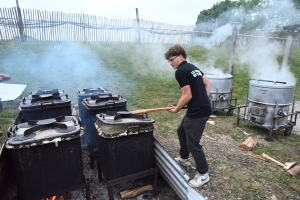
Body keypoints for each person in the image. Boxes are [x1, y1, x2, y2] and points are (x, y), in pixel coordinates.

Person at [164, 44, 212, 188]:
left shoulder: (180, 71)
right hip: (201, 108)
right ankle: (184, 158)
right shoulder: (193, 67)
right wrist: (203, 99)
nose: (171, 63)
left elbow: (187, 94)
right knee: (181, 130)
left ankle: (203, 174)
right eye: (169, 61)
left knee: (193, 144)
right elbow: (208, 83)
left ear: (181, 57)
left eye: (172, 60)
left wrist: (176, 109)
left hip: (197, 112)